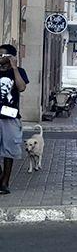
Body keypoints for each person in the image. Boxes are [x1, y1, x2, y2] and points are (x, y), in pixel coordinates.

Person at [0, 45, 28, 195]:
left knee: (9, 150)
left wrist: (15, 68)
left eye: (2, 55)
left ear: (10, 57)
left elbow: (22, 87)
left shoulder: (19, 72)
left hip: (10, 116)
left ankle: (5, 182)